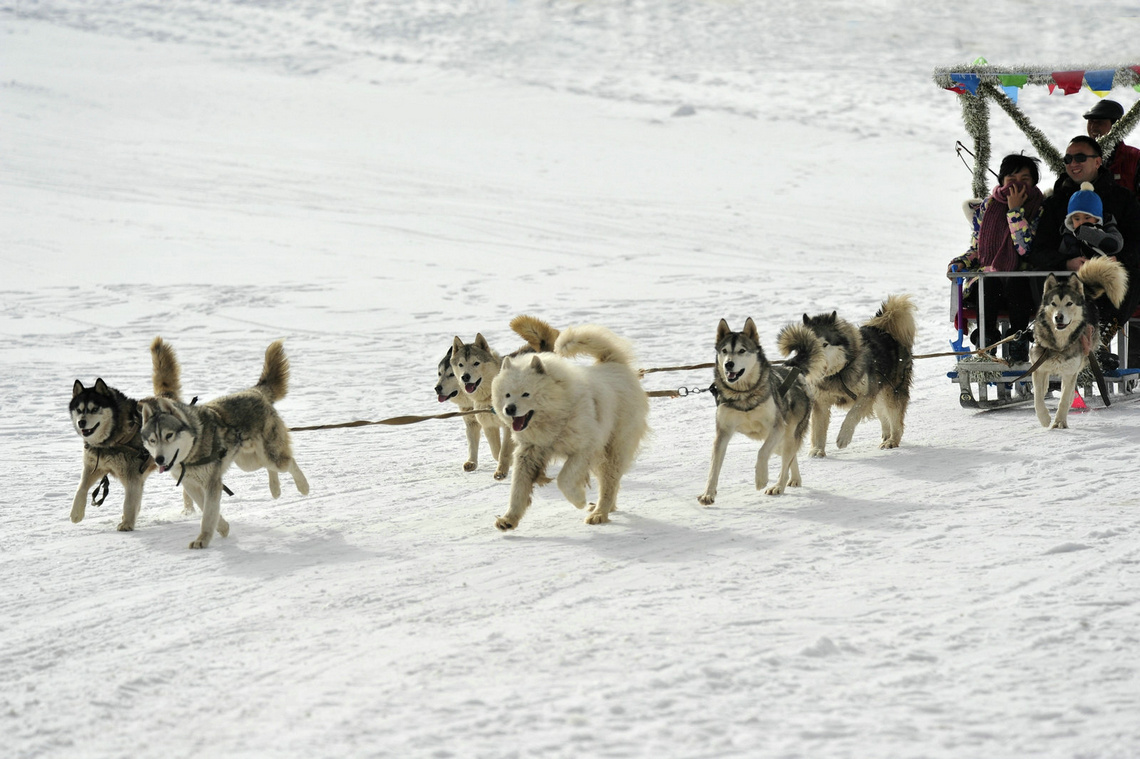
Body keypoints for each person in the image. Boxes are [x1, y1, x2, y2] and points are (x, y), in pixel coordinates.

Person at [1030, 136, 1140, 369]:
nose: (1073, 163)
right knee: (1040, 275)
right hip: (1064, 280)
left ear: (1098, 161)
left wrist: (1115, 259)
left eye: (1080, 157)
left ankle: (1099, 341)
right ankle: (1052, 346)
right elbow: (1039, 250)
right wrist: (1066, 262)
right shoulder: (1056, 202)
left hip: (1108, 279)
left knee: (1130, 274)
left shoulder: (1121, 199)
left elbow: (1136, 242)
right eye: (1068, 158)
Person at [948, 153, 1044, 360]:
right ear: (1002, 181)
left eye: (1025, 180)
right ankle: (986, 341)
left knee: (1016, 283)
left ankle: (1018, 341)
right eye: (1011, 180)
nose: (1017, 185)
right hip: (990, 282)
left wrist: (1015, 211)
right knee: (987, 283)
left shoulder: (1040, 207)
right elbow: (977, 248)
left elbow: (1025, 248)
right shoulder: (988, 207)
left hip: (1024, 281)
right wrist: (960, 262)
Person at [1084, 99, 1140, 196]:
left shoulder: (1135, 158)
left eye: (1099, 122)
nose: (1093, 127)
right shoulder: (1078, 158)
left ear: (1116, 126)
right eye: (1091, 122)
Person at [1058, 182, 1123, 262]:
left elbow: (1117, 245)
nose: (1082, 223)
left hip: (1104, 270)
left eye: (1087, 218)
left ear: (1097, 218)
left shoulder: (1107, 228)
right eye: (1077, 219)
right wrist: (1068, 263)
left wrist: (1088, 233)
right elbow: (1061, 256)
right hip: (1078, 272)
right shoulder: (1068, 235)